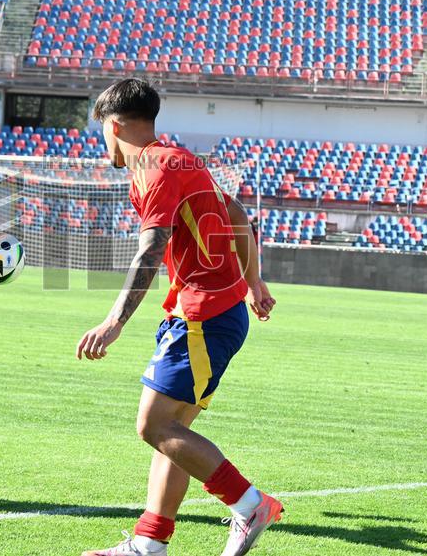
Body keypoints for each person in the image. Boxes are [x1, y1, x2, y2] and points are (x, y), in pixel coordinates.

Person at [76, 79, 280, 556]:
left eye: (102, 132)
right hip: (213, 312)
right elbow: (238, 216)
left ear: (113, 125)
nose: (104, 142)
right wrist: (254, 282)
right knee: (174, 432)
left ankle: (250, 504)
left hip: (202, 316)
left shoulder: (154, 166)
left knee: (154, 426)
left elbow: (151, 250)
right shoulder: (183, 159)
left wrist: (114, 321)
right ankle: (149, 544)